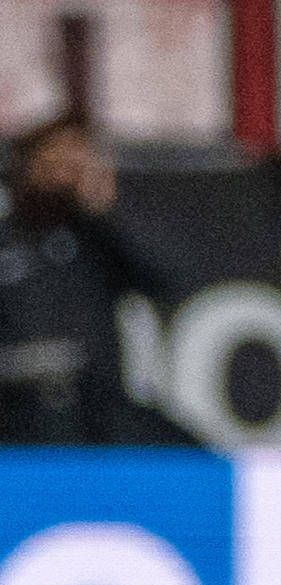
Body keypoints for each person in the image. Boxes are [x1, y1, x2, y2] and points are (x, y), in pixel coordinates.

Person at [0, 117, 172, 447]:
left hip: (98, 413)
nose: (63, 175)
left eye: (74, 165)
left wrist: (106, 213)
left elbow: (164, 280)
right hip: (16, 413)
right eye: (53, 163)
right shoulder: (8, 238)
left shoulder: (98, 236)